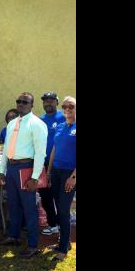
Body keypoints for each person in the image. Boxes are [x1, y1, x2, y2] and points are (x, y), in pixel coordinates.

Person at [0, 92, 48, 259]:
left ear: (32, 105)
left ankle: (33, 245)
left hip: (27, 168)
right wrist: (1, 170)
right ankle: (14, 236)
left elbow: (41, 153)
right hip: (12, 168)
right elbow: (6, 148)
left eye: (24, 102)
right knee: (13, 205)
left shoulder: (37, 124)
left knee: (29, 209)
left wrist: (34, 178)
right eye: (18, 101)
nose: (20, 104)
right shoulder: (13, 123)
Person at [47, 96, 76, 261]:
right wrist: (49, 172)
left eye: (70, 106)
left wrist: (73, 177)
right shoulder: (60, 126)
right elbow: (54, 150)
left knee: (64, 210)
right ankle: (65, 242)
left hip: (69, 174)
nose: (67, 109)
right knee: (59, 208)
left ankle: (63, 248)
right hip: (56, 172)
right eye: (64, 106)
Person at [39, 92, 65, 236]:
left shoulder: (63, 117)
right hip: (43, 162)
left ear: (57, 102)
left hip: (59, 162)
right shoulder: (40, 120)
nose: (48, 103)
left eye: (51, 101)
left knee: (59, 196)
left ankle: (62, 226)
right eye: (45, 101)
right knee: (45, 195)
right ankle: (52, 224)